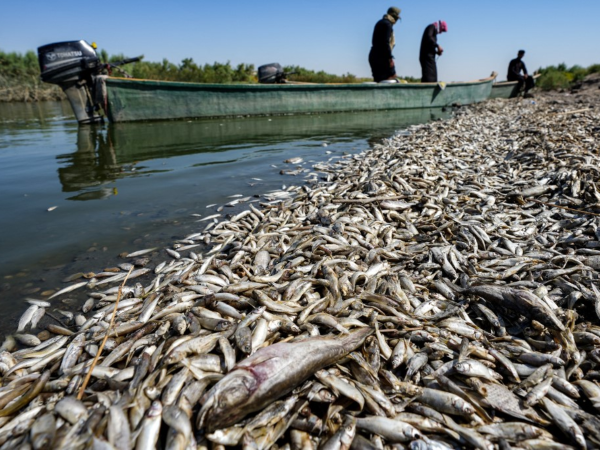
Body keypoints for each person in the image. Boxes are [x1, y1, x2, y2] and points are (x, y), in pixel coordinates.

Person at [368, 7, 402, 83]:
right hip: (382, 58)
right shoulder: (387, 24)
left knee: (379, 81)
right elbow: (385, 43)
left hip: (374, 56)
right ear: (394, 17)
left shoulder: (380, 22)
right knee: (392, 77)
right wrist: (390, 58)